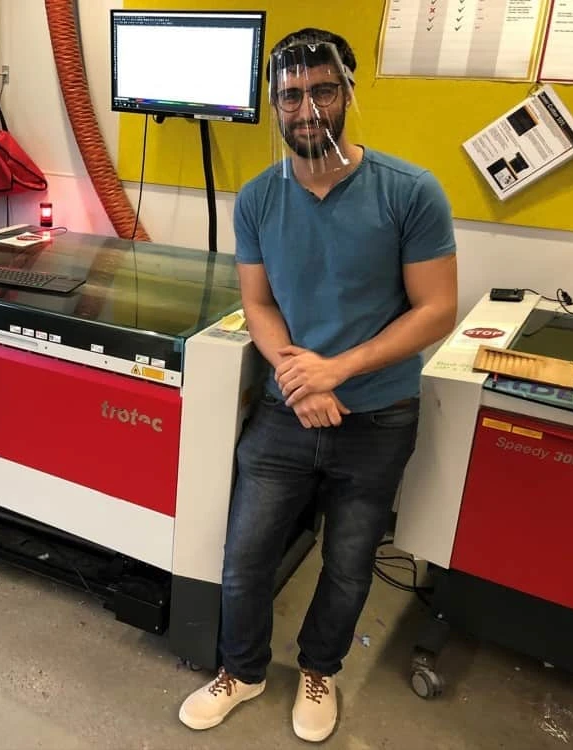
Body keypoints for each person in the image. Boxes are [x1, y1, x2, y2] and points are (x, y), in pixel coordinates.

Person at [178, 29, 458, 742]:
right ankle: (241, 671)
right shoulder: (259, 198)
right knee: (244, 558)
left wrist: (338, 370)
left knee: (349, 563)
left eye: (322, 91)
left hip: (379, 416)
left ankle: (319, 669)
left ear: (348, 93)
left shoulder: (409, 192)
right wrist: (301, 382)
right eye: (291, 95)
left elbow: (436, 309)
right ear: (274, 104)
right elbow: (260, 305)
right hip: (286, 411)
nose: (308, 109)